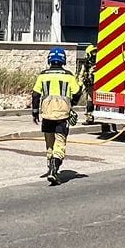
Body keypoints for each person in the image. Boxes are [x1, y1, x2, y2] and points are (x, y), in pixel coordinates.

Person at [30, 46, 84, 185]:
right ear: (63, 60)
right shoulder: (68, 76)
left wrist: (35, 112)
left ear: (49, 59)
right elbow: (78, 92)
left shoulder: (42, 75)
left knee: (49, 144)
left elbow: (36, 94)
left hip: (47, 115)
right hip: (62, 116)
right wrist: (71, 104)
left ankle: (50, 168)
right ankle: (55, 170)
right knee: (60, 144)